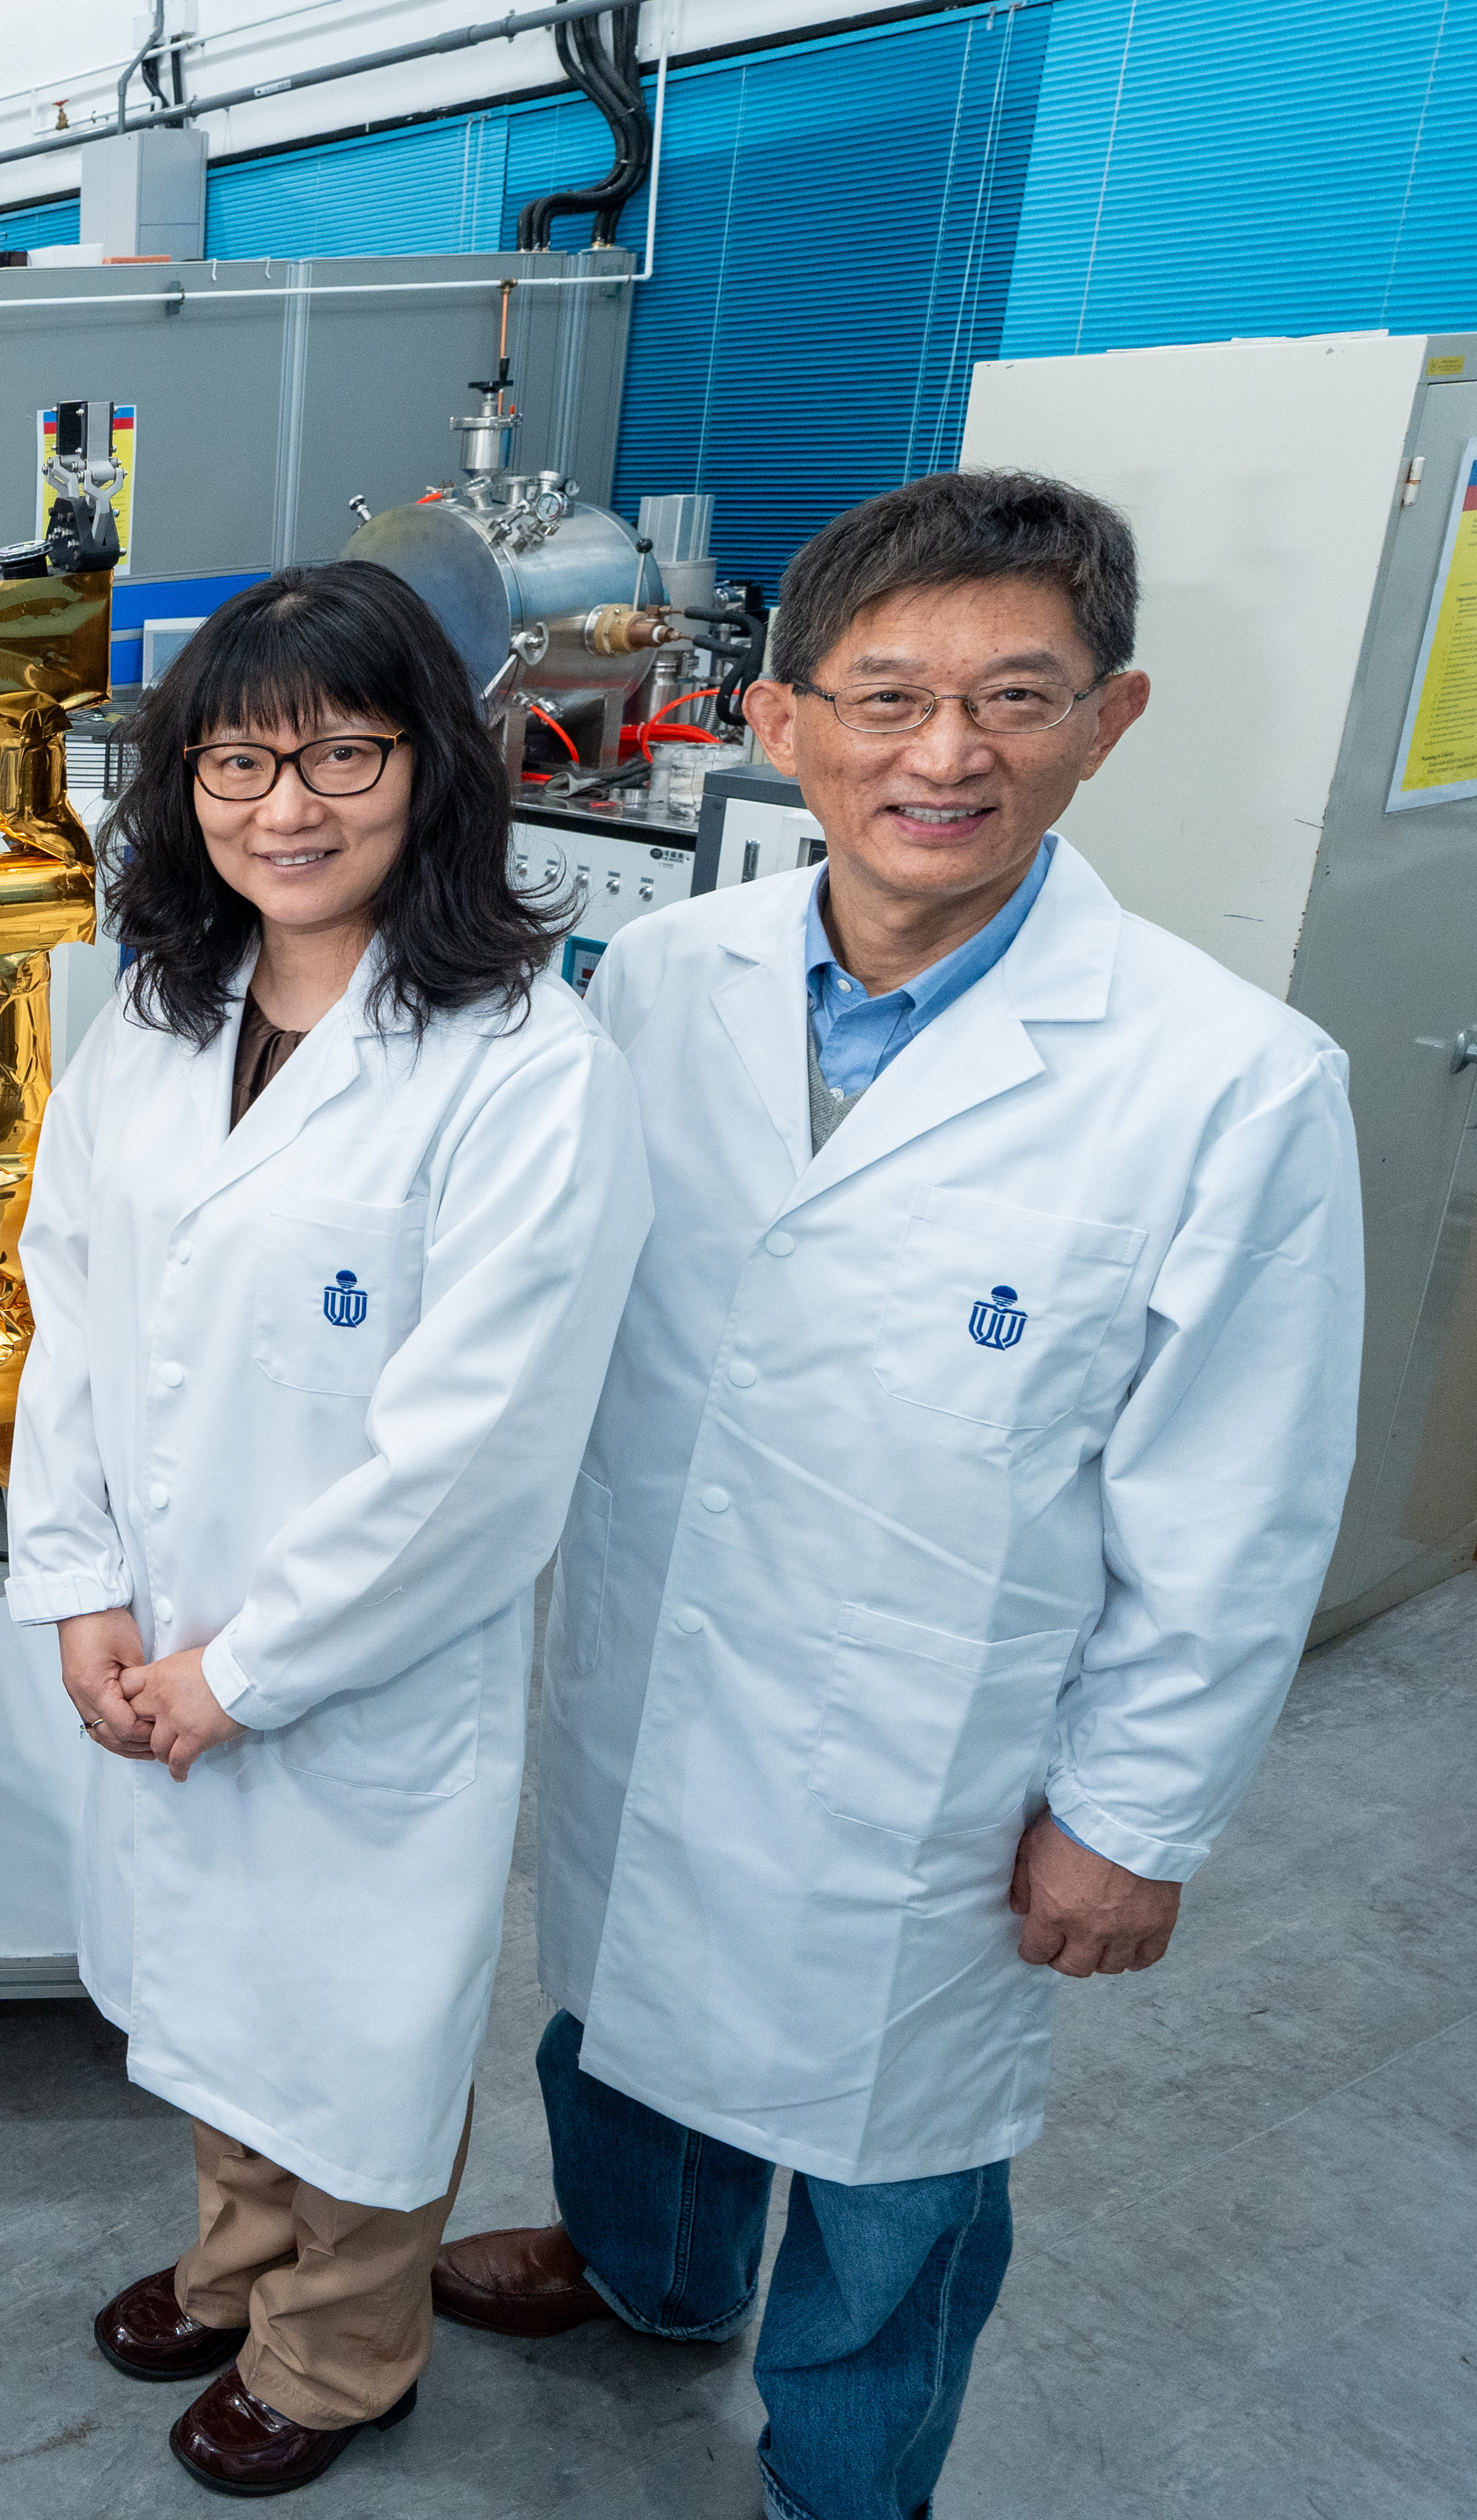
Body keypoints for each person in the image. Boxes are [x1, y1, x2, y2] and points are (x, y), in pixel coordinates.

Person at [433, 471, 1366, 2520]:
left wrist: (1132, 1823)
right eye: (888, 696)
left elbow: (1242, 1500)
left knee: (893, 2173)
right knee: (619, 2012)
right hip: (657, 1661)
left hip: (933, 1750)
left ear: (1109, 723)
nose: (946, 754)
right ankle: (652, 2279)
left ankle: (850, 2487)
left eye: (1017, 699)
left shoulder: (1228, 1081)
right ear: (785, 728)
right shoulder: (669, 982)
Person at [11, 561, 652, 2498]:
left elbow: (481, 1458)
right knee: (205, 1987)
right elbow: (70, 1310)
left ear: (434, 771)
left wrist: (249, 1666)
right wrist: (85, 1586)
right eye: (236, 762)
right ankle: (236, 2260)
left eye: (342, 755)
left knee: (353, 2025)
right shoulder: (147, 1012)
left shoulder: (527, 1068)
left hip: (358, 1676)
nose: (285, 808)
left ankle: (346, 2345)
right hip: (157, 1637)